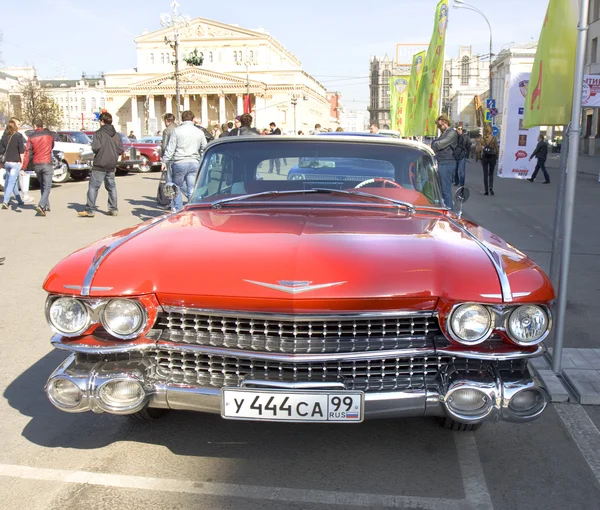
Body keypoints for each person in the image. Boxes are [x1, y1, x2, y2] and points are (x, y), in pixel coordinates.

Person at [78, 112, 123, 217]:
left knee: (93, 187)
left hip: (100, 163)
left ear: (102, 121)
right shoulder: (116, 134)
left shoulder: (98, 133)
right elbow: (120, 150)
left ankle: (90, 209)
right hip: (112, 164)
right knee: (111, 187)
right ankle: (113, 209)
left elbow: (95, 148)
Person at [162, 110, 207, 212]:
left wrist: (164, 161)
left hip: (180, 161)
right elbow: (204, 146)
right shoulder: (199, 132)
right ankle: (193, 209)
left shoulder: (177, 131)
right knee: (191, 188)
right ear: (193, 119)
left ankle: (178, 209)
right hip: (194, 162)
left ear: (182, 119)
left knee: (176, 186)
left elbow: (170, 148)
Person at [22, 119, 55, 216]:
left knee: (42, 184)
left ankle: (46, 205)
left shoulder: (31, 137)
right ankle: (41, 205)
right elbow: (52, 146)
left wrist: (24, 166)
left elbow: (28, 152)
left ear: (35, 126)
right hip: (47, 162)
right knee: (47, 185)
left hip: (37, 163)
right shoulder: (49, 135)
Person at [431, 115, 459, 210]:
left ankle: (450, 212)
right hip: (441, 162)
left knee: (445, 190)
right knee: (441, 190)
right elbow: (435, 143)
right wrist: (435, 144)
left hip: (447, 163)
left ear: (445, 122)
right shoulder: (444, 133)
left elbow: (439, 144)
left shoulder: (452, 133)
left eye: (440, 126)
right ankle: (445, 208)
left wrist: (435, 144)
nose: (439, 128)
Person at [0, 119, 26, 210]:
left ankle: (19, 200)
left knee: (13, 182)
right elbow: (21, 151)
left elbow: (1, 150)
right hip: (15, 163)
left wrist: (1, 163)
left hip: (6, 163)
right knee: (11, 182)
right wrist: (22, 163)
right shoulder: (18, 136)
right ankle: (5, 202)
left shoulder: (4, 137)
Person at [480, 125, 499, 196]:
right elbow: (496, 149)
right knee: (491, 174)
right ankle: (491, 187)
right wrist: (496, 156)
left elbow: (479, 149)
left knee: (485, 174)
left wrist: (479, 157)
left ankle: (486, 190)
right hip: (492, 157)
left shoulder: (482, 139)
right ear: (491, 131)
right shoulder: (494, 139)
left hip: (484, 157)